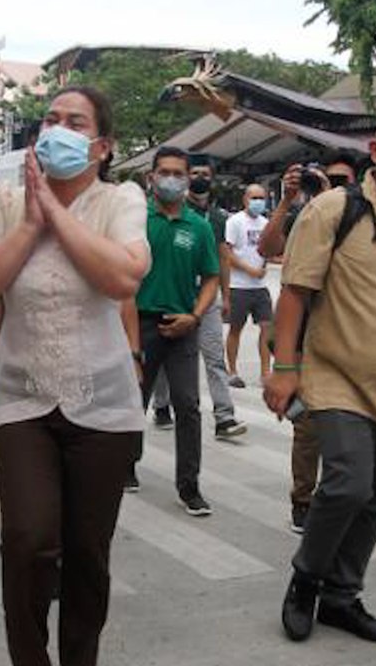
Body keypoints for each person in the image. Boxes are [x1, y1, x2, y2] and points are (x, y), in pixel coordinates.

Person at [0, 85, 149, 666]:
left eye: (75, 121)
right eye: (50, 118)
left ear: (102, 145)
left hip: (104, 404)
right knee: (30, 542)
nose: (57, 128)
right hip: (20, 400)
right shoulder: (6, 203)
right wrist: (29, 222)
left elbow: (123, 278)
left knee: (88, 553)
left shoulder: (121, 200)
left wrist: (57, 213)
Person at [269, 102, 376, 645]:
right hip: (337, 374)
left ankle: (342, 596)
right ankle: (305, 580)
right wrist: (284, 368)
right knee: (348, 484)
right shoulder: (332, 210)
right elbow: (296, 293)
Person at [260, 151, 359, 533]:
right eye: (326, 181)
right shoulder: (305, 216)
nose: (333, 190)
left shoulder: (364, 222)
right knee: (309, 427)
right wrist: (288, 199)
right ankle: (303, 500)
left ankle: (343, 497)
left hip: (349, 337)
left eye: (342, 183)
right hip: (303, 338)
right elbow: (268, 248)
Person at [126, 146, 220, 516]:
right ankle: (126, 464)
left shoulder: (198, 226)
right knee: (135, 400)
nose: (171, 179)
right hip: (140, 323)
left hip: (183, 325)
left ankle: (189, 485)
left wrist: (195, 316)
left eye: (178, 173)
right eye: (163, 172)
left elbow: (212, 276)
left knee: (189, 405)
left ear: (188, 177)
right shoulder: (135, 221)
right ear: (151, 177)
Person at [149, 154, 244, 438]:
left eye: (205, 174)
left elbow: (222, 260)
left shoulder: (216, 218)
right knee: (165, 361)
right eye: (197, 173)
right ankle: (162, 404)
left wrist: (225, 296)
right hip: (174, 295)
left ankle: (224, 416)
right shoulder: (173, 209)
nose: (200, 179)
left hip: (207, 297)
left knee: (214, 358)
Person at [259, 151, 359, 261]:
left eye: (340, 180)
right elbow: (266, 250)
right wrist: (286, 200)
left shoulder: (363, 216)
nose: (334, 186)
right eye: (329, 179)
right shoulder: (304, 215)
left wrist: (328, 199)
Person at [224, 184, 272, 387]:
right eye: (254, 198)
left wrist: (264, 265)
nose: (258, 202)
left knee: (267, 328)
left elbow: (268, 249)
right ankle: (233, 371)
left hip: (260, 287)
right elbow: (227, 253)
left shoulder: (266, 223)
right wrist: (248, 269)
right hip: (239, 286)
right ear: (245, 199)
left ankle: (265, 372)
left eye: (261, 198)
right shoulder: (235, 222)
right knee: (236, 328)